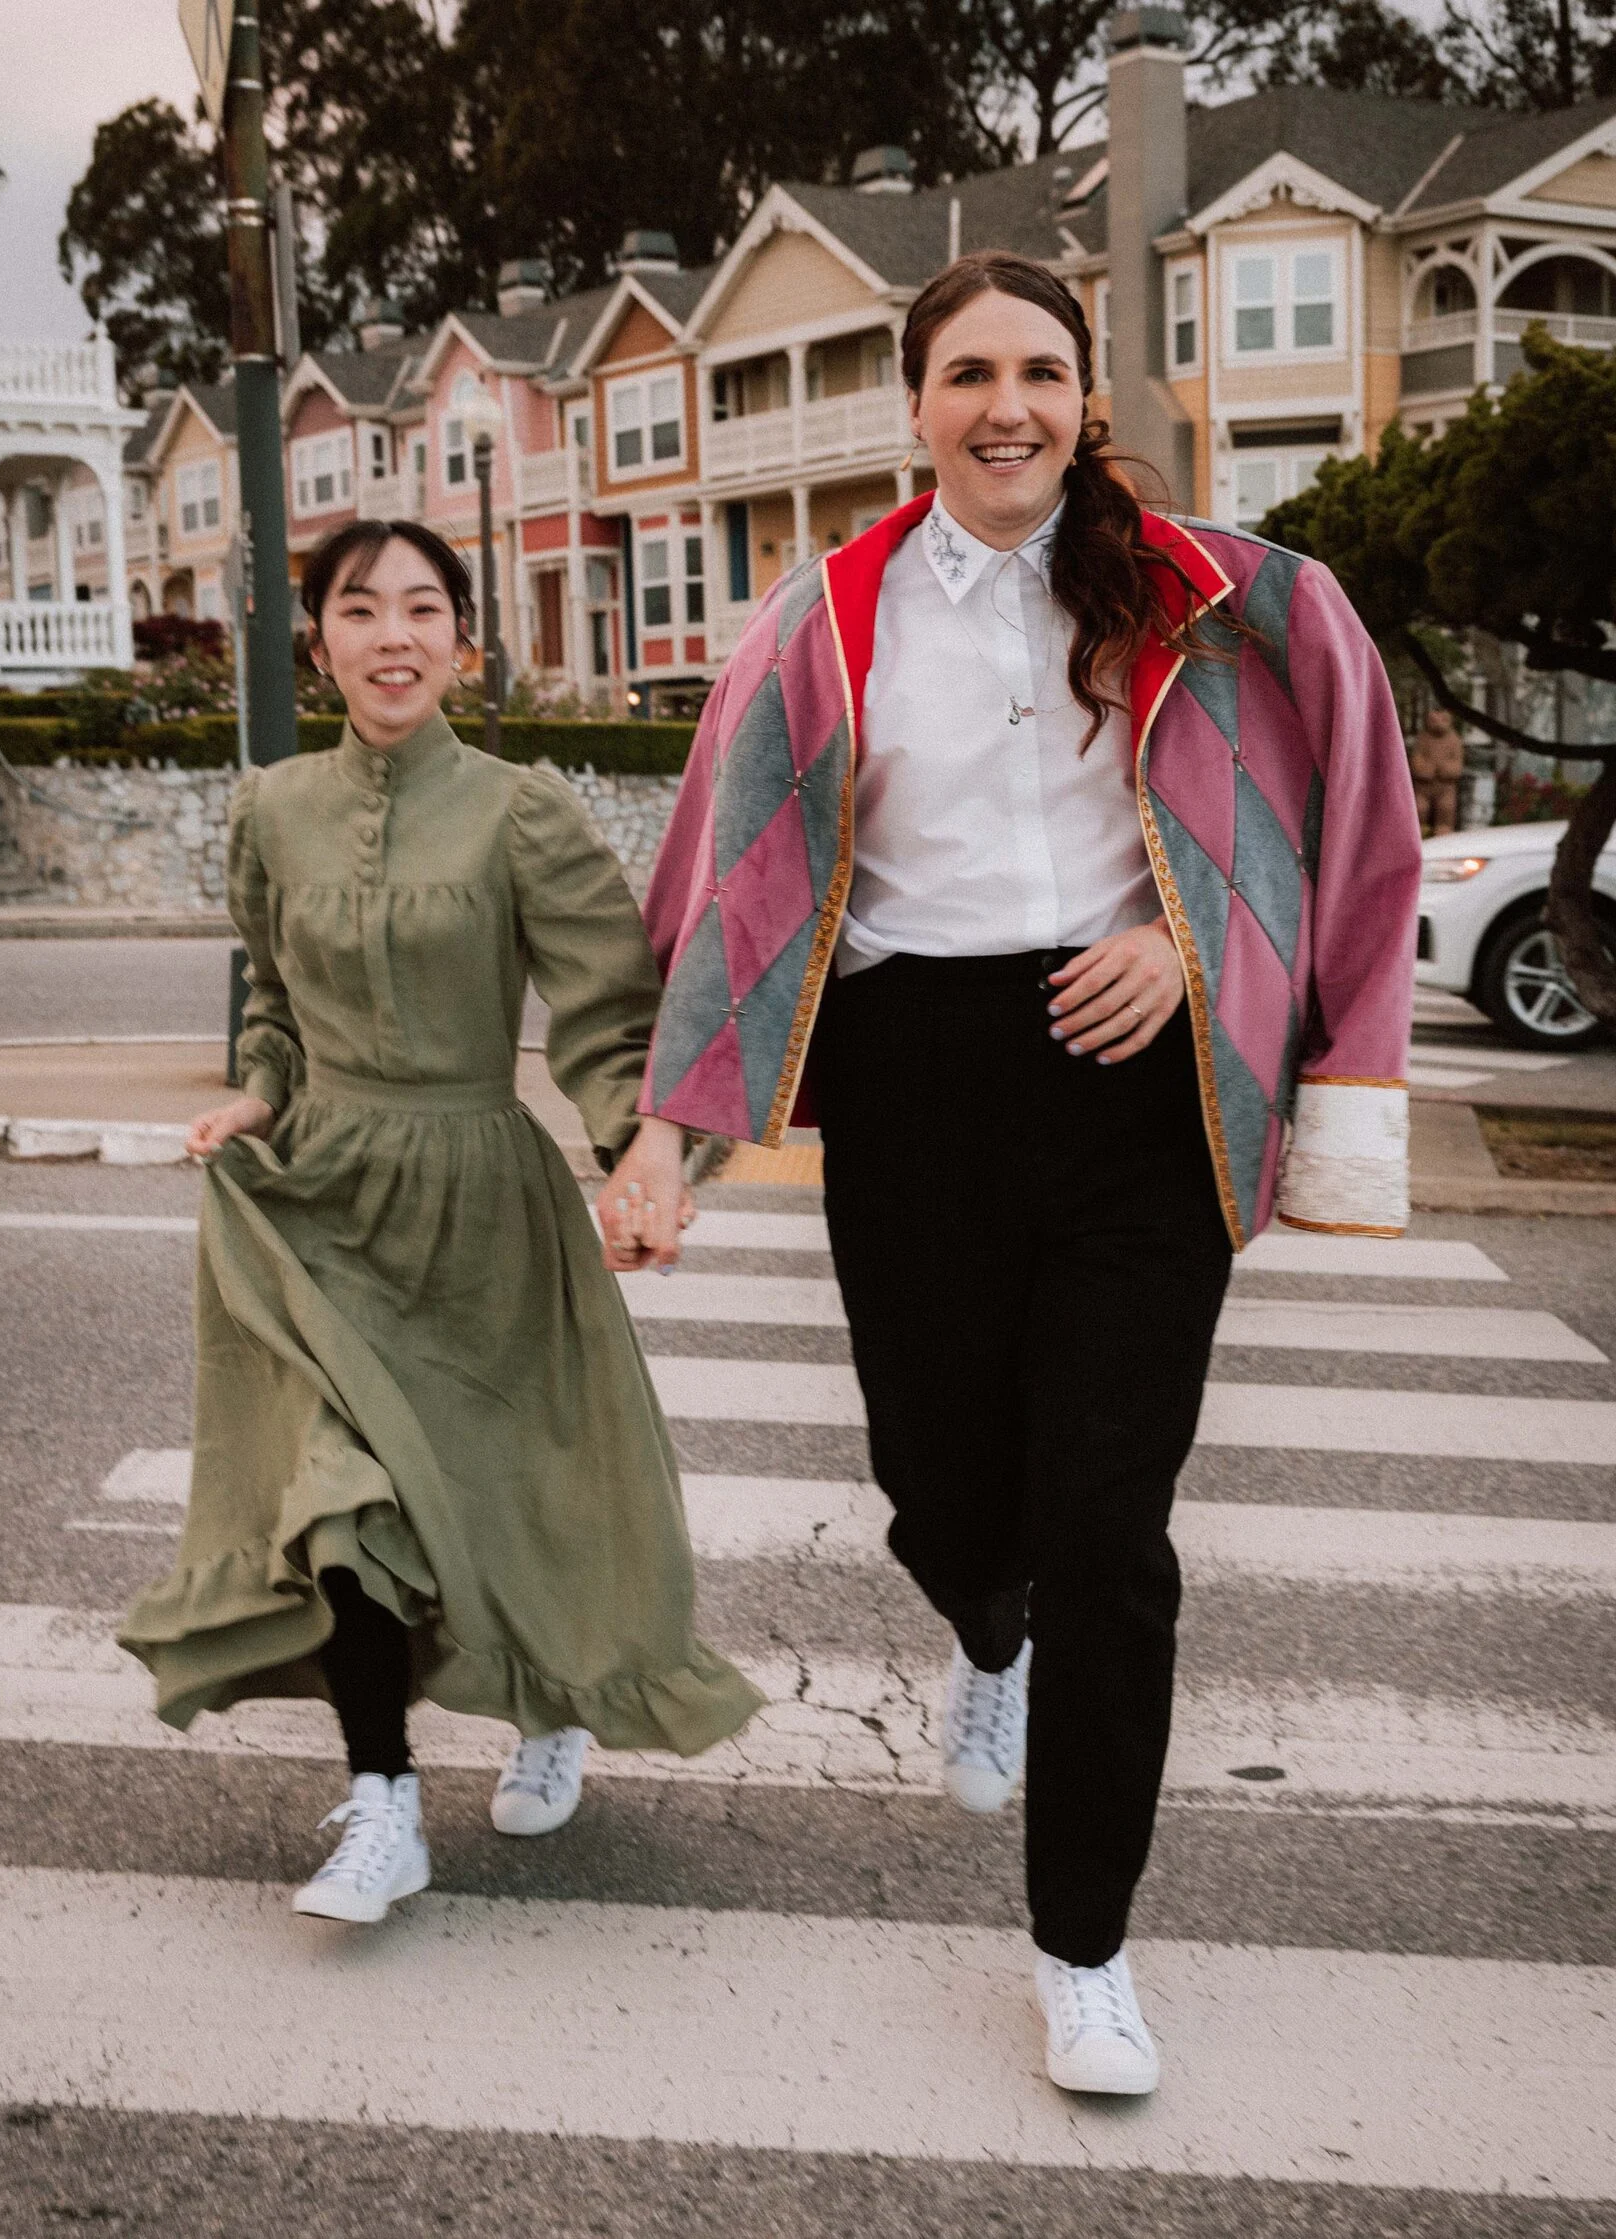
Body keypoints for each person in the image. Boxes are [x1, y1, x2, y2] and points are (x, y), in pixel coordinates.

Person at [608, 252, 1420, 2095]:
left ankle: (1087, 1949)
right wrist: (667, 1133)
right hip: (916, 1083)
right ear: (915, 405)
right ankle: (987, 1618)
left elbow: (1341, 815)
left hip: (1142, 1093)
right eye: (967, 371)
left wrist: (1199, 953)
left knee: (1114, 1529)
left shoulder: (1221, 597)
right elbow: (734, 881)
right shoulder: (822, 617)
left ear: (1087, 392)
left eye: (1040, 370)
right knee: (938, 1473)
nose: (1008, 405)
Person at [120, 518, 759, 1926]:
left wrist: (639, 1158)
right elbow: (273, 997)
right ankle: (385, 1803)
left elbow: (605, 1010)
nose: (392, 633)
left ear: (462, 642)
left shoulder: (521, 808)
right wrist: (258, 1096)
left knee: (509, 1493)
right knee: (344, 1501)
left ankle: (557, 1704)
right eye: (361, 608)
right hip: (325, 1200)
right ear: (321, 639)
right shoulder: (269, 807)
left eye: (422, 608)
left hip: (481, 1195)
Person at [1410, 706, 1465, 836]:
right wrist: (1425, 769)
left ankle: (1444, 831)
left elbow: (1457, 765)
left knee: (1446, 808)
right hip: (1423, 788)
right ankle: (1419, 831)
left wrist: (1446, 769)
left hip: (1446, 788)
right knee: (1420, 808)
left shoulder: (1454, 740)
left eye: (1443, 720)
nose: (1439, 724)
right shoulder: (1422, 739)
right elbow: (1416, 761)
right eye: (1434, 720)